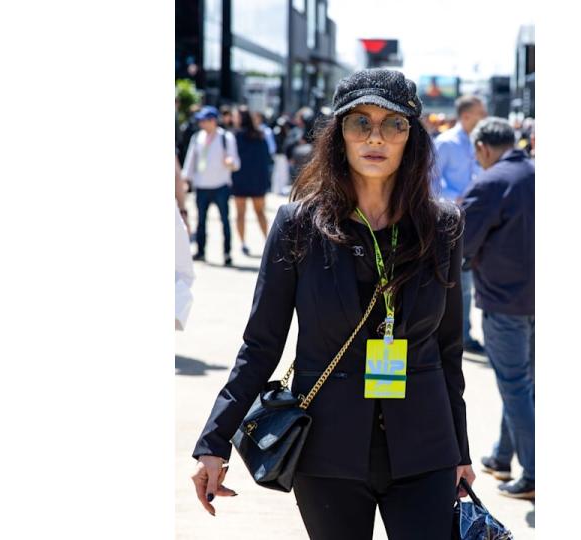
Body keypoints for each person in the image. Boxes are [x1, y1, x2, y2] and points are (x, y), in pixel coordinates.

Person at [191, 68, 475, 540]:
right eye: (360, 122)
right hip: (327, 447)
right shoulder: (299, 225)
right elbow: (261, 344)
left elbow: (449, 350)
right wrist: (214, 441)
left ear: (413, 136)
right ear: (338, 133)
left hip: (425, 445)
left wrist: (460, 449)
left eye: (393, 124)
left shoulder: (442, 226)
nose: (375, 137)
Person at [459, 117, 535, 500]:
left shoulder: (490, 184)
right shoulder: (535, 173)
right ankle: (502, 456)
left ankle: (535, 472)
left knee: (515, 385)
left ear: (482, 148)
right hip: (534, 300)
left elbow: (460, 246)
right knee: (522, 383)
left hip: (506, 301)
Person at [434, 95, 487, 354]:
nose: (484, 117)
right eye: (480, 113)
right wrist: (455, 197)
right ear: (467, 116)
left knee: (471, 281)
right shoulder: (446, 143)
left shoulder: (476, 143)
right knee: (461, 282)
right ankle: (462, 337)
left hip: (477, 219)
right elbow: (430, 181)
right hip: (453, 220)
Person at [181, 106, 240, 266]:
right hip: (201, 186)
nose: (202, 124)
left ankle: (227, 253)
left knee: (225, 221)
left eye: (205, 121)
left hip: (221, 185)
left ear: (213, 121)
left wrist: (230, 163)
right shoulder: (197, 137)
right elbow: (190, 160)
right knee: (201, 221)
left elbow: (236, 162)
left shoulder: (226, 137)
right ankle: (201, 251)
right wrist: (186, 180)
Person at [231, 106, 272, 256]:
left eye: (235, 116)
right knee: (260, 212)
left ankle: (243, 244)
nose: (233, 119)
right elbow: (266, 158)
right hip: (257, 179)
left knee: (240, 213)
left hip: (240, 179)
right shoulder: (260, 135)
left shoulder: (234, 136)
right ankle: (268, 242)